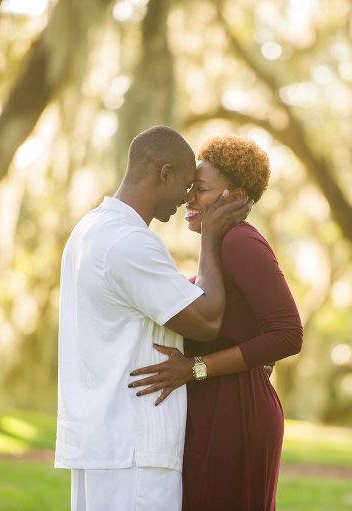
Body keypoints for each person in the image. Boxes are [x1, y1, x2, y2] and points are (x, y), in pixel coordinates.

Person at [55, 126, 251, 511]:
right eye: (185, 184)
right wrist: (209, 238)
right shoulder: (129, 242)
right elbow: (207, 319)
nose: (189, 198)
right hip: (134, 447)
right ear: (164, 173)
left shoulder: (89, 229)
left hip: (101, 441)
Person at [129, 135, 303, 510]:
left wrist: (195, 369)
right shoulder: (218, 247)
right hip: (215, 409)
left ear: (235, 196)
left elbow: (288, 334)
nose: (188, 199)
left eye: (202, 190)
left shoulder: (240, 242)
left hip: (236, 414)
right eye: (190, 188)